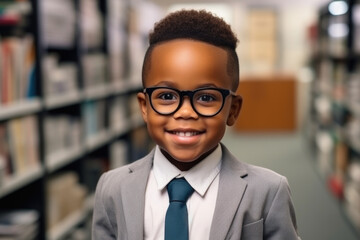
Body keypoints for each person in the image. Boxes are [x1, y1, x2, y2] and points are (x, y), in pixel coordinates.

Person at [92, 9, 300, 240]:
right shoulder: (112, 188)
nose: (186, 112)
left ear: (233, 110)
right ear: (145, 107)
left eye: (206, 97)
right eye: (167, 96)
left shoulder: (268, 191)